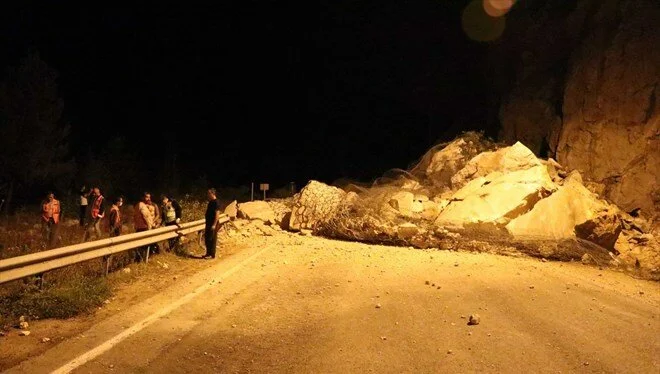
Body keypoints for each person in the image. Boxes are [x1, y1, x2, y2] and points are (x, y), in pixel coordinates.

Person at [133, 192, 154, 261]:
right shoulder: (141, 205)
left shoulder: (139, 205)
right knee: (145, 245)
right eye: (147, 197)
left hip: (139, 227)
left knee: (141, 245)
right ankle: (144, 259)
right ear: (142, 197)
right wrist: (149, 226)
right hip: (143, 227)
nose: (148, 199)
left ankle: (141, 258)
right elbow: (145, 216)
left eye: (149, 197)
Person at [203, 188, 221, 259]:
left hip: (213, 224)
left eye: (208, 193)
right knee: (207, 238)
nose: (207, 195)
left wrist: (214, 224)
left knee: (212, 239)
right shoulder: (211, 202)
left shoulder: (216, 202)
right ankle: (208, 253)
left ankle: (212, 254)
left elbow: (217, 214)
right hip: (208, 223)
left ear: (212, 194)